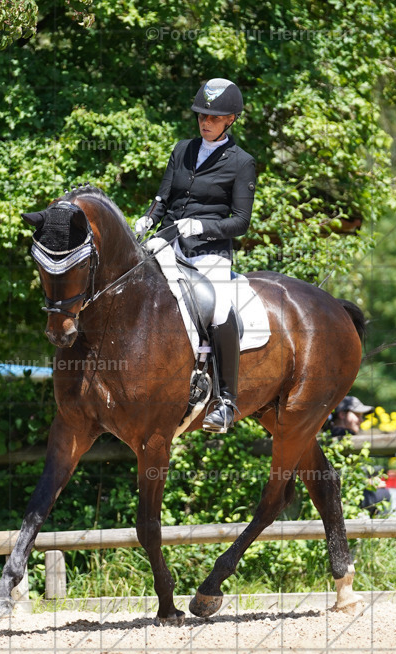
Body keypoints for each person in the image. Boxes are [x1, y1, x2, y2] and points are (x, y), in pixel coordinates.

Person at [134, 78, 257, 433]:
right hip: (168, 242)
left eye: (214, 118)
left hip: (210, 253)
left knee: (219, 308)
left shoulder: (242, 162)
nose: (205, 122)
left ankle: (226, 401)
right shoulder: (182, 149)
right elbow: (163, 198)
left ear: (231, 119)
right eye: (202, 115)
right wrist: (148, 218)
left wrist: (201, 227)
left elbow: (241, 222)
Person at [327, 396, 391, 517]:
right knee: (382, 495)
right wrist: (366, 482)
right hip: (338, 497)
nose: (361, 420)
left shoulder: (329, 434)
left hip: (342, 495)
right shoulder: (341, 437)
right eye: (357, 415)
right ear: (342, 415)